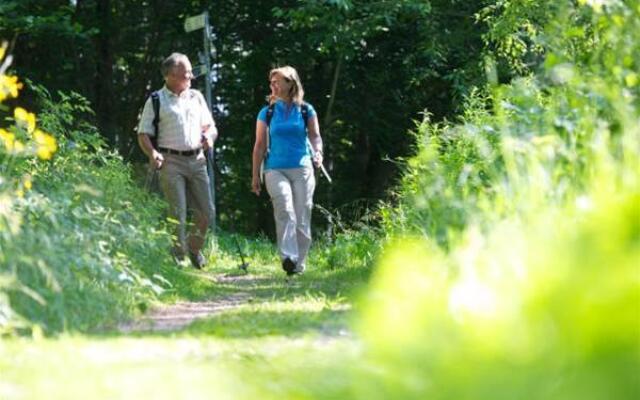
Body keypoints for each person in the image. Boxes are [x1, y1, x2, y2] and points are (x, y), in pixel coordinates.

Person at [137, 52, 217, 269]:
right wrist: (152, 153)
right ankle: (178, 256)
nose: (190, 77)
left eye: (190, 73)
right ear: (170, 76)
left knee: (206, 212)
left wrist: (209, 137)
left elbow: (209, 126)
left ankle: (193, 248)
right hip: (170, 161)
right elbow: (143, 133)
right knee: (178, 212)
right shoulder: (156, 100)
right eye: (186, 74)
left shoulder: (196, 97)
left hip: (197, 159)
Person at [251, 66, 324, 276]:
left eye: (277, 81)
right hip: (274, 168)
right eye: (271, 82)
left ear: (290, 83)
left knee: (302, 214)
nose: (273, 85)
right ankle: (288, 258)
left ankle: (299, 263)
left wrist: (318, 152)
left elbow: (315, 136)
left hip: (302, 167)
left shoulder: (306, 110)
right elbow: (259, 145)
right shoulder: (267, 112)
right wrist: (255, 175)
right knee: (285, 210)